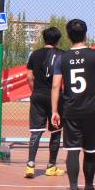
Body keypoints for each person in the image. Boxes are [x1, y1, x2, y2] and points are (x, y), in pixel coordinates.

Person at [51, 19, 95, 190]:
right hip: (92, 111)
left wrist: (54, 111)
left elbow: (56, 86)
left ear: (68, 36)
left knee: (73, 150)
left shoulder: (62, 58)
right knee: (90, 151)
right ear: (85, 34)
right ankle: (89, 189)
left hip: (71, 110)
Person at [23, 27, 65, 179]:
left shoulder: (34, 54)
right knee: (55, 131)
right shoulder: (62, 54)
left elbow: (29, 77)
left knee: (36, 131)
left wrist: (35, 90)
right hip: (55, 97)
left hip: (38, 95)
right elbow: (64, 79)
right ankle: (51, 166)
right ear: (58, 40)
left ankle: (30, 165)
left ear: (43, 38)